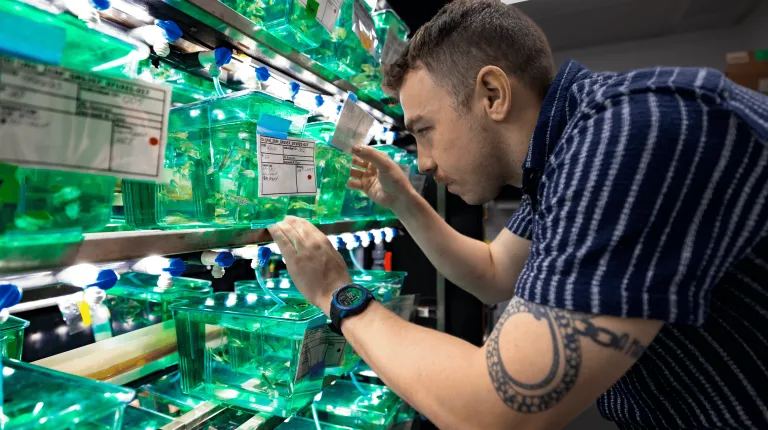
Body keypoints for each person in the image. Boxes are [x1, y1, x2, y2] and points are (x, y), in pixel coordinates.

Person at [268, 0, 768, 428]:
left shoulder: (628, 136)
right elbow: (494, 272)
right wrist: (403, 198)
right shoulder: (565, 151)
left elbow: (496, 411)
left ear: (493, 94)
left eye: (425, 130)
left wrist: (338, 294)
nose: (422, 161)